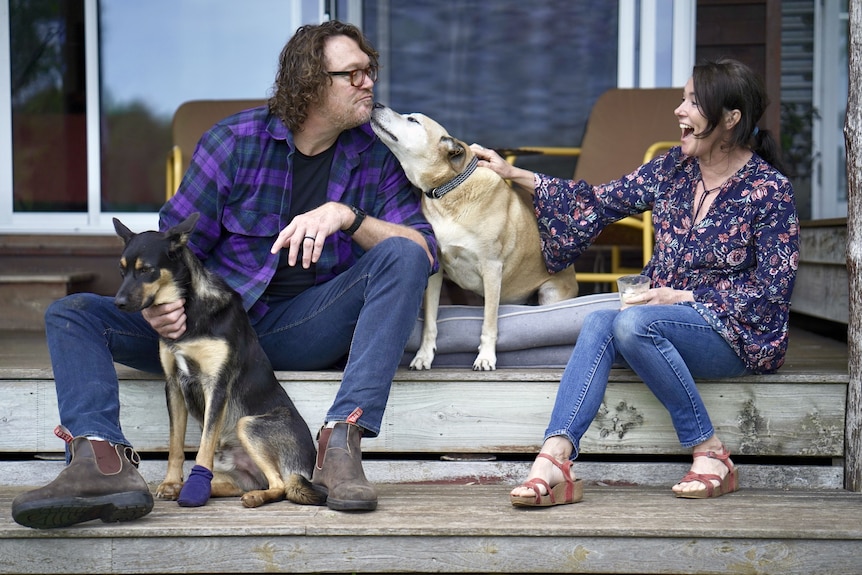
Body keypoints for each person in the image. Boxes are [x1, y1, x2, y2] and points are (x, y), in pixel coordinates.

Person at [12, 20, 437, 528]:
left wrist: (349, 216)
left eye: (369, 70)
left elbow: (424, 249)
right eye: (352, 74)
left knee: (403, 255)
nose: (369, 82)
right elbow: (171, 242)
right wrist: (162, 306)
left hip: (299, 329)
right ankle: (100, 461)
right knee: (71, 313)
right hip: (208, 325)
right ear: (310, 82)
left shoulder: (375, 156)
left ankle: (340, 443)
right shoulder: (235, 141)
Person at [472, 58, 798, 506]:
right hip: (660, 321)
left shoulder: (769, 190)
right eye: (682, 100)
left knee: (630, 323)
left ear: (729, 119)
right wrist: (514, 174)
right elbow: (598, 202)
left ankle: (710, 452)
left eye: (692, 102)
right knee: (600, 323)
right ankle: (554, 461)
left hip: (734, 334)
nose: (679, 111)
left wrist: (683, 296)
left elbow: (773, 290)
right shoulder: (673, 169)